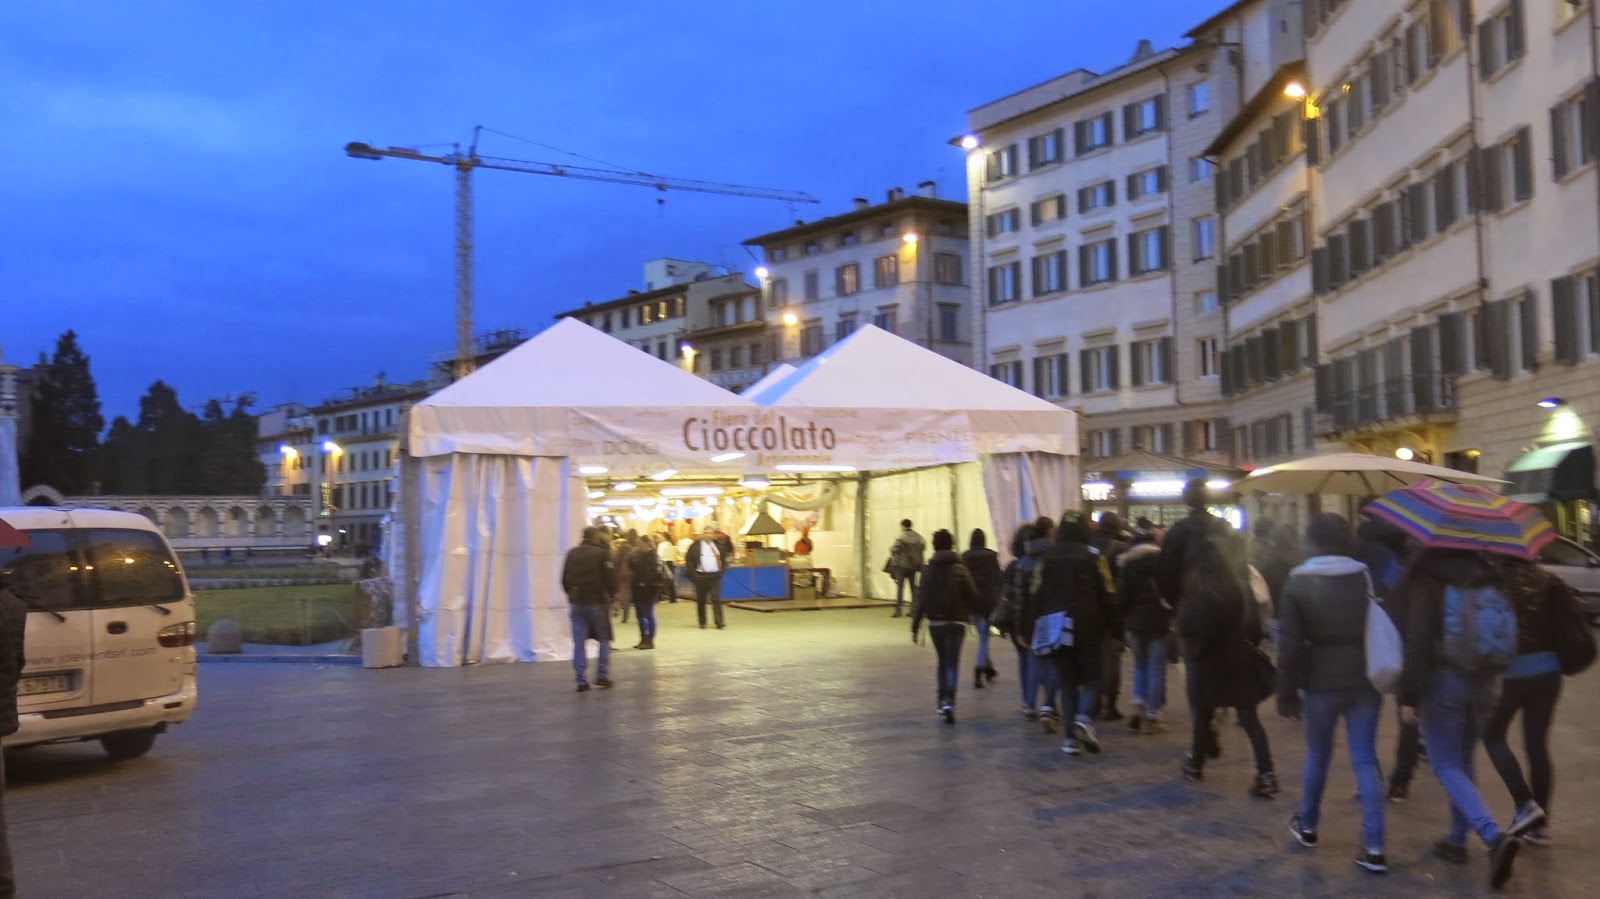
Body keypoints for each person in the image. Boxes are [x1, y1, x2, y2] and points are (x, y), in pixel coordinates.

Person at [1397, 548, 1544, 889]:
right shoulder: (1489, 574)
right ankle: (1456, 839)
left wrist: (1409, 696)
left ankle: (1493, 836)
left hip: (1447, 681)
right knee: (1463, 760)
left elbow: (1419, 642)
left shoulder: (1430, 578)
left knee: (1445, 763)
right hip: (1488, 683)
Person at [1276, 514, 1388, 874]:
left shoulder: (1298, 580)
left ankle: (1308, 824)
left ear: (1312, 540)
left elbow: (1290, 645)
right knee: (1365, 759)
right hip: (1364, 676)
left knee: (1318, 754)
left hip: (1320, 679)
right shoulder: (1364, 575)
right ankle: (1374, 846)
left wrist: (1286, 693)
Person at [1178, 532, 1279, 798]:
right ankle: (1266, 773)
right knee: (1249, 719)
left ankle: (1196, 764)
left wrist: (1194, 651)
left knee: (1203, 715)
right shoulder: (1238, 586)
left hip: (1209, 663)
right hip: (1238, 659)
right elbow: (1252, 622)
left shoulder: (1200, 591)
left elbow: (1195, 628)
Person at [1481, 559, 1571, 849]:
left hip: (1513, 674)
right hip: (1549, 672)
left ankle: (1524, 803)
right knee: (1537, 746)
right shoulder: (1550, 581)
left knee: (1492, 736)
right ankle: (1540, 827)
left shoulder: (1497, 582)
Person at [1030, 511, 1120, 756]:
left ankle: (1070, 739)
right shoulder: (1095, 557)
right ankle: (1084, 717)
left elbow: (1035, 593)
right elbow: (1108, 593)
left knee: (1067, 682)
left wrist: (1030, 626)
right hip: (1090, 625)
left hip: (1056, 625)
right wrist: (1117, 627)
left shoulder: (1045, 558)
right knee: (1093, 677)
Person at [1357, 510, 1423, 802]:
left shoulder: (1361, 561)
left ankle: (1369, 776)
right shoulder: (1408, 568)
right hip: (1405, 644)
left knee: (1365, 714)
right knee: (1407, 714)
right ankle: (1401, 780)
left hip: (1369, 642)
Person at [911, 529, 980, 723]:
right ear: (951, 545)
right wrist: (969, 612)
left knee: (942, 661)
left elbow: (920, 600)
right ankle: (950, 701)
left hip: (935, 623)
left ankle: (941, 701)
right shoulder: (960, 569)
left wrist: (915, 625)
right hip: (957, 622)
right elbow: (973, 595)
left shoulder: (927, 570)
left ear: (934, 546)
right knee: (952, 662)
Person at [1118, 528, 1170, 734]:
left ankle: (1139, 703)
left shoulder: (1128, 565)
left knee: (1140, 665)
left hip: (1135, 622)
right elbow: (1170, 593)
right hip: (1159, 621)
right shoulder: (1163, 564)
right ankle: (1152, 715)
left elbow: (1122, 597)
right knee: (1156, 668)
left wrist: (1124, 618)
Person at [1017, 516, 1063, 731]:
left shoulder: (1024, 558)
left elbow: (1020, 596)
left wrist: (1020, 625)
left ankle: (1029, 703)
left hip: (1030, 616)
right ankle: (1049, 704)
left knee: (1033, 662)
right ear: (1050, 531)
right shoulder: (1056, 555)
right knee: (1053, 662)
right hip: (1052, 614)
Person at [561, 527, 617, 692]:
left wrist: (571, 595)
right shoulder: (601, 554)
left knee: (579, 642)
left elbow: (564, 579)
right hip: (596, 602)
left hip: (577, 603)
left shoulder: (571, 553)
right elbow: (610, 579)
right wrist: (613, 596)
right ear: (596, 537)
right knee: (604, 638)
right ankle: (602, 675)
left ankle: (581, 680)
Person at [1090, 513, 1130, 722]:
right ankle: (1110, 704)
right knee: (1112, 657)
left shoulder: (1087, 546)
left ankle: (1093, 702)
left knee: (1092, 656)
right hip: (1113, 608)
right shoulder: (1120, 548)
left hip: (1090, 608)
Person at [962, 529, 1002, 690]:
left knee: (983, 636)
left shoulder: (964, 557)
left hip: (972, 602)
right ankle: (979, 669)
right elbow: (998, 580)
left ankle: (988, 668)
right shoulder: (991, 557)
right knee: (984, 637)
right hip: (987, 602)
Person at [684, 526, 727, 630]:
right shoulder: (695, 546)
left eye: (710, 533)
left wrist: (721, 571)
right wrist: (694, 574)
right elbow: (689, 560)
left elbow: (723, 559)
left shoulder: (718, 546)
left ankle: (719, 622)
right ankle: (702, 622)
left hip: (714, 576)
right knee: (701, 599)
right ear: (703, 534)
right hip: (701, 576)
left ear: (713, 535)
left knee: (716, 598)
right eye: (706, 533)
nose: (708, 535)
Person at [628, 535, 662, 650]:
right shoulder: (637, 555)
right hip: (637, 589)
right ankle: (643, 638)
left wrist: (645, 582)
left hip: (648, 590)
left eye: (640, 544)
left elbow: (653, 573)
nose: (638, 546)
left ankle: (650, 640)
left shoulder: (653, 556)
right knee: (640, 616)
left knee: (648, 615)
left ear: (646, 543)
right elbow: (632, 567)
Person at [888, 520, 927, 618]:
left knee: (900, 588)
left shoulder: (901, 536)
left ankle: (898, 610)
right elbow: (923, 547)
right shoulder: (918, 537)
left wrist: (892, 550)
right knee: (913, 588)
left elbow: (895, 549)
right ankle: (914, 610)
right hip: (913, 566)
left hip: (901, 565)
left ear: (903, 526)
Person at [655, 533, 679, 603]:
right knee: (670, 581)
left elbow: (659, 555)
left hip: (663, 563)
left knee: (661, 580)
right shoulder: (671, 545)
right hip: (670, 563)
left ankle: (657, 597)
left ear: (664, 537)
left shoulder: (661, 545)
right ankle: (673, 598)